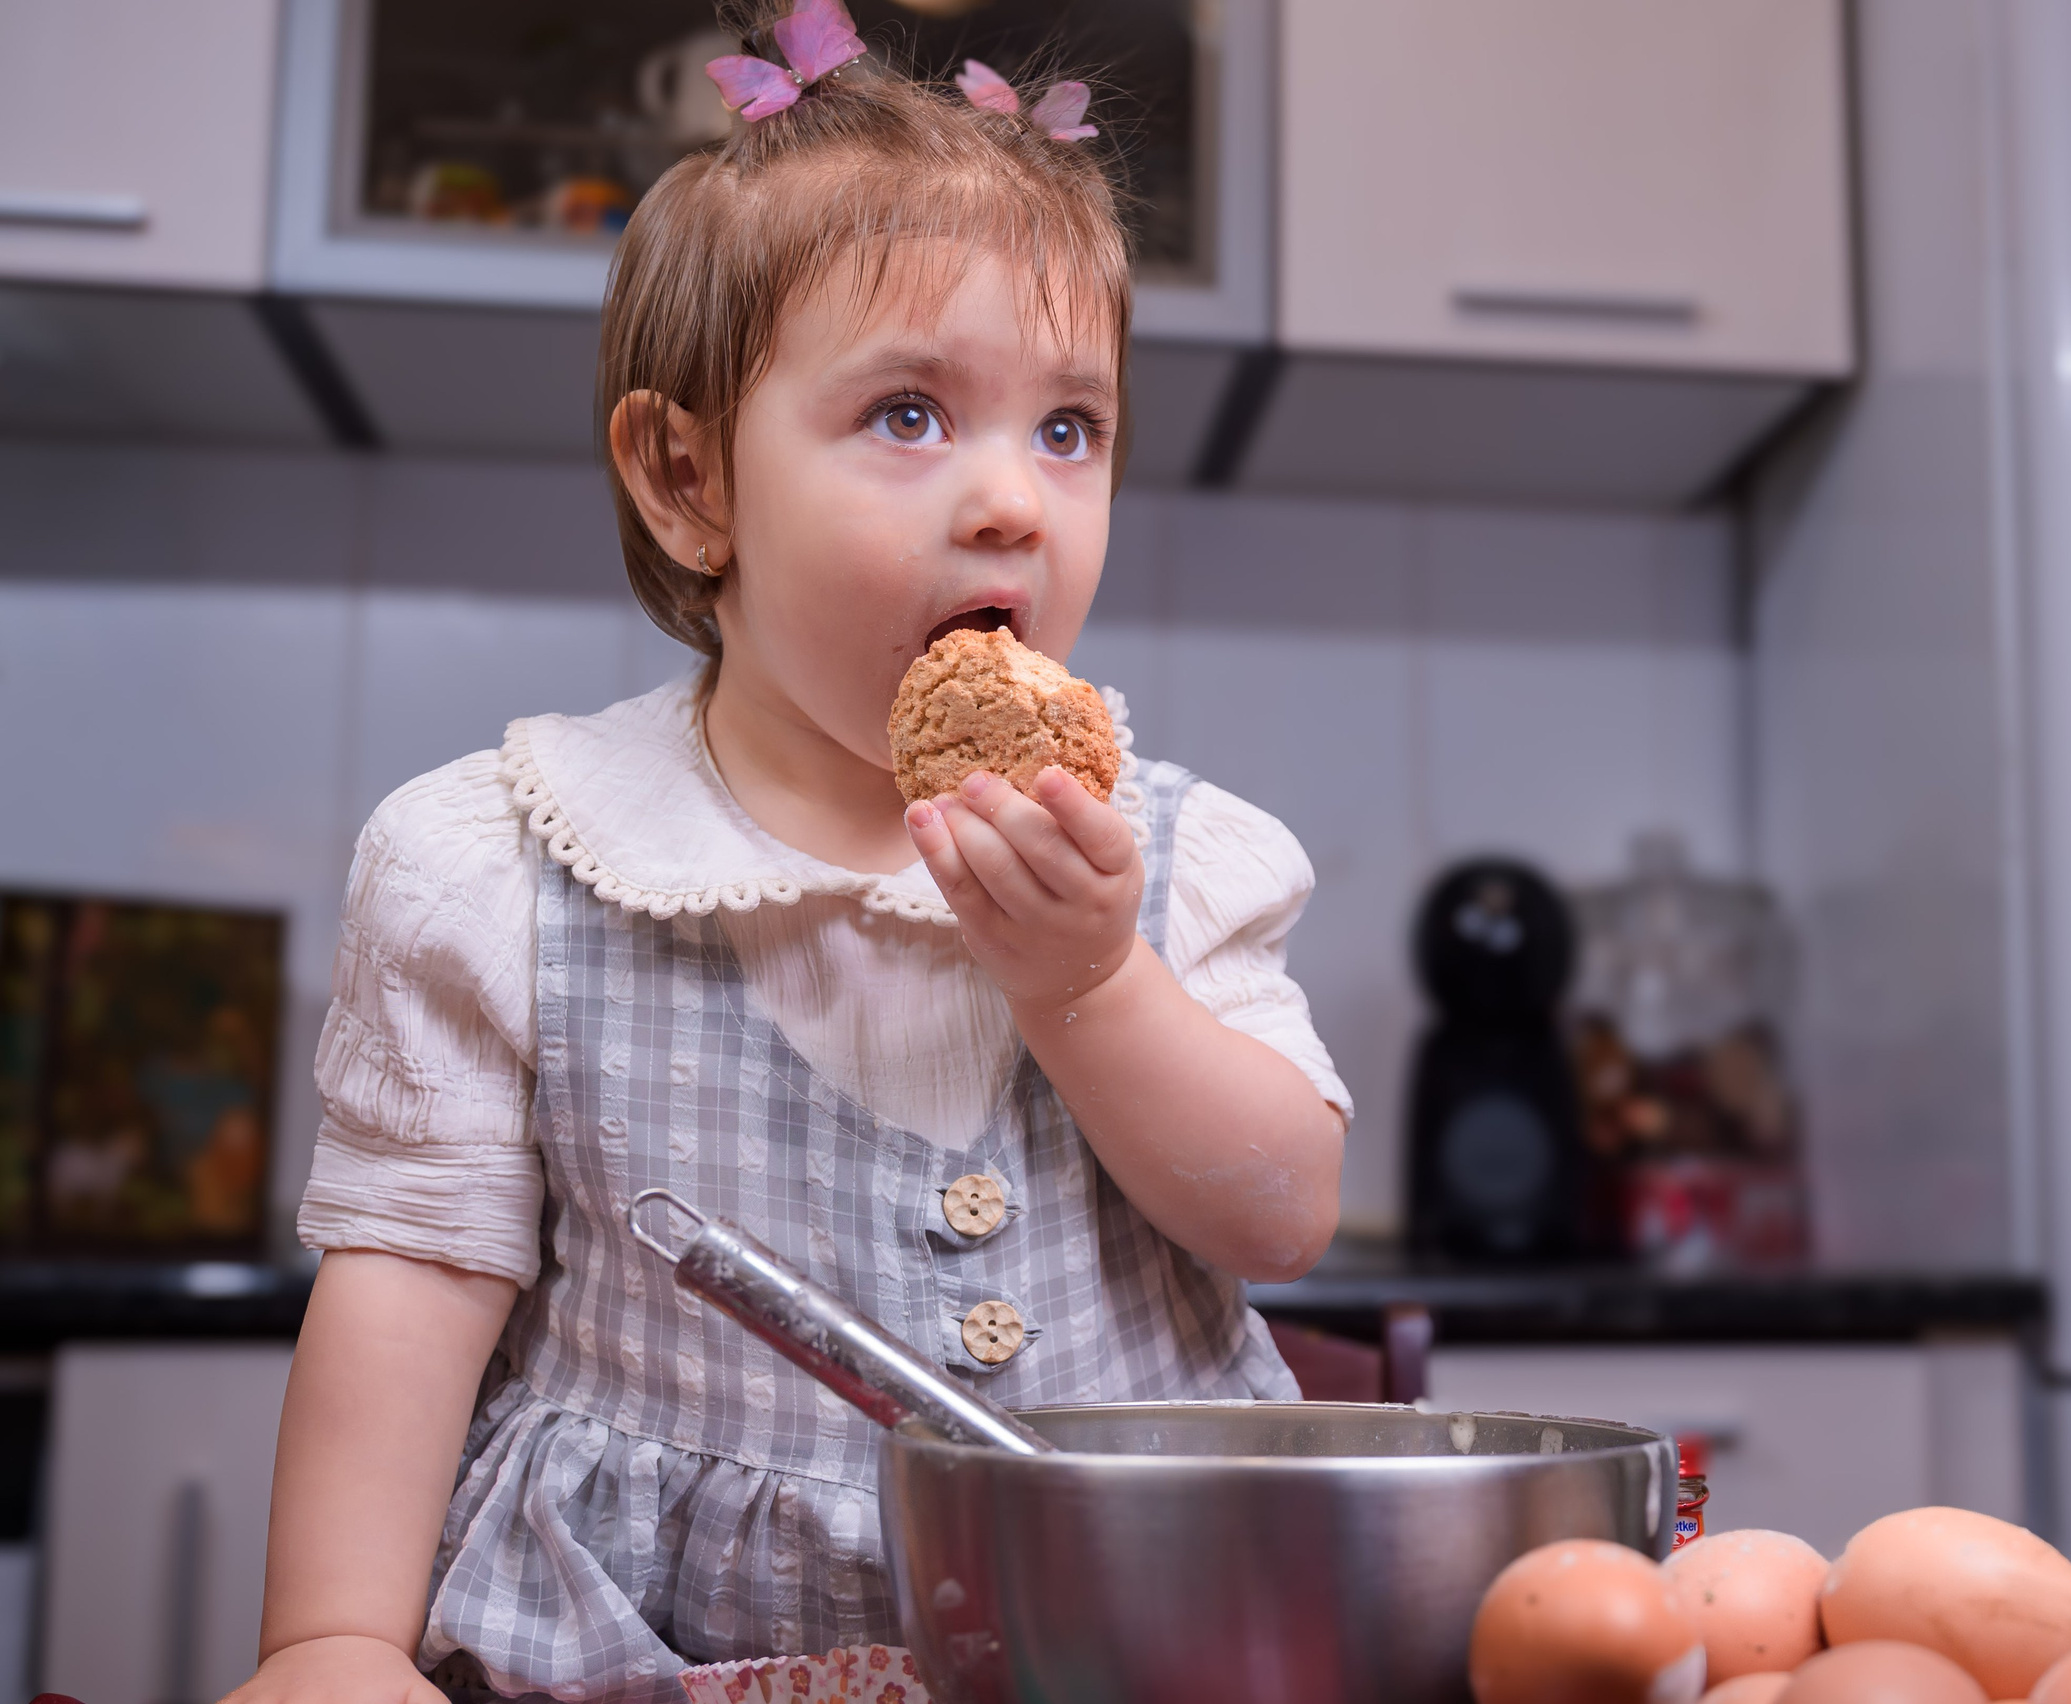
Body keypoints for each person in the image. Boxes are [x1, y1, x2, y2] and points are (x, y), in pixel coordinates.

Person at [227, 8, 1347, 1698]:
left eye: (1070, 429)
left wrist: (1092, 983)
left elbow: (1283, 1218)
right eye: (909, 415)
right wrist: (328, 1643)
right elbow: (405, 1293)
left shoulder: (1164, 859)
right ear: (690, 480)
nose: (1013, 504)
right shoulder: (509, 866)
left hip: (1124, 1637)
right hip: (642, 1655)